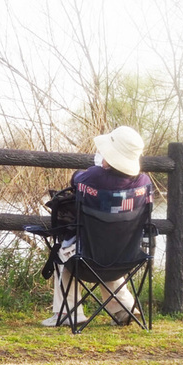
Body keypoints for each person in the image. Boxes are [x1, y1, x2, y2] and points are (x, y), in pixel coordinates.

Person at [41, 125, 152, 327]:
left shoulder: (93, 177)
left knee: (65, 252)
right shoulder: (144, 183)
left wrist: (99, 167)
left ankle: (69, 313)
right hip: (128, 256)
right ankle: (124, 308)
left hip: (88, 257)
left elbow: (76, 178)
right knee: (106, 254)